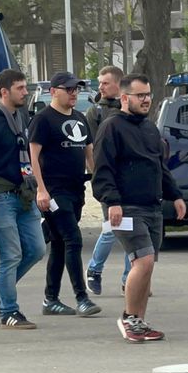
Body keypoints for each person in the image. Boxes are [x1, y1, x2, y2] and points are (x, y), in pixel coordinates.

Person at [93, 74, 187, 342]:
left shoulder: (149, 128)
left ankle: (139, 321)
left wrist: (175, 196)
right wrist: (112, 201)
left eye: (148, 94)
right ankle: (129, 318)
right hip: (126, 207)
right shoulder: (111, 127)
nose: (146, 100)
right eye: (140, 95)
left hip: (152, 207)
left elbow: (159, 166)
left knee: (147, 265)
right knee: (142, 261)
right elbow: (102, 169)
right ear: (124, 98)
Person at [0, 69, 45, 329]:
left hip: (24, 194)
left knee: (36, 249)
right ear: (4, 92)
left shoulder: (21, 116)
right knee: (12, 254)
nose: (25, 92)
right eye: (20, 88)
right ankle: (9, 311)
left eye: (25, 87)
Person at [28, 71, 101, 317]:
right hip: (53, 192)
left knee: (59, 244)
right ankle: (82, 298)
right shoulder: (43, 119)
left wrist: (100, 183)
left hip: (75, 190)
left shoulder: (80, 118)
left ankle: (50, 299)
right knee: (73, 238)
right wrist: (41, 189)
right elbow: (33, 157)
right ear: (53, 91)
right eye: (68, 89)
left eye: (76, 89)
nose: (73, 93)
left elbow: (89, 154)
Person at [85, 65, 131, 295]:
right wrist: (99, 179)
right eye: (100, 82)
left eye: (105, 83)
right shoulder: (95, 113)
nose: (100, 87)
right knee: (112, 228)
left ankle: (129, 279)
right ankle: (94, 270)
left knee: (133, 230)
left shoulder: (129, 108)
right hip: (108, 180)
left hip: (130, 179)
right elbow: (91, 150)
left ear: (118, 85)